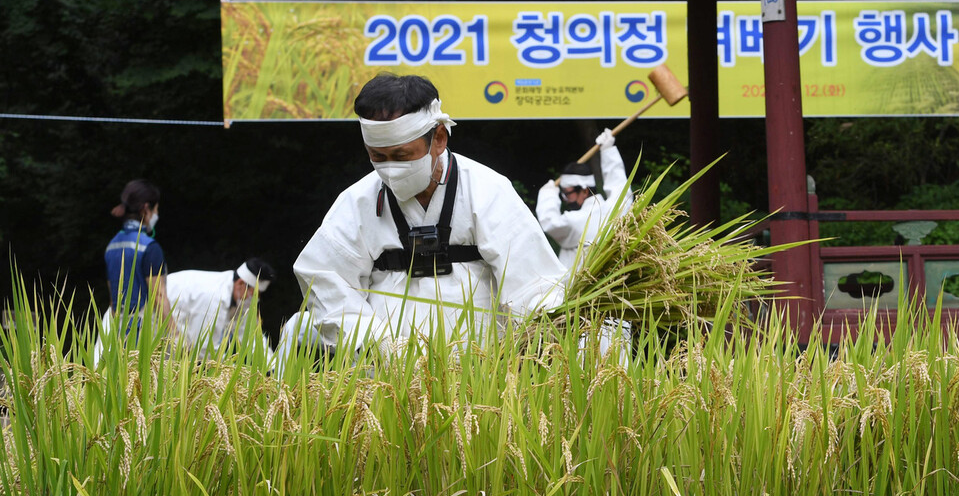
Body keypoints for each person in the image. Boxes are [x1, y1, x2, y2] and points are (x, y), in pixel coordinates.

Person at [293, 73, 566, 356]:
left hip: (482, 369)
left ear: (438, 138)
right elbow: (323, 277)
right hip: (389, 373)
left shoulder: (487, 190)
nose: (389, 169)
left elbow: (534, 283)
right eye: (377, 156)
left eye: (401, 156)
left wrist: (538, 340)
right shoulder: (357, 202)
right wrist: (377, 342)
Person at [95, 179, 171, 363]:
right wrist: (174, 335)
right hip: (142, 332)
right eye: (156, 210)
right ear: (146, 209)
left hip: (116, 330)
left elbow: (114, 301)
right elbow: (158, 297)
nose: (156, 214)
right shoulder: (149, 247)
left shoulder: (112, 245)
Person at [535, 128, 633, 272]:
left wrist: (547, 196)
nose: (566, 200)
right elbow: (619, 187)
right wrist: (608, 151)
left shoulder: (577, 220)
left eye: (568, 194)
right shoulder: (614, 209)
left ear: (585, 190)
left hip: (577, 290)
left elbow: (550, 222)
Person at [166, 258, 276, 357]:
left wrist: (272, 368)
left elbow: (252, 336)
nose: (256, 299)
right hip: (158, 323)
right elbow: (203, 348)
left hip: (178, 338)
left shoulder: (240, 299)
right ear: (240, 284)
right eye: (255, 294)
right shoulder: (214, 296)